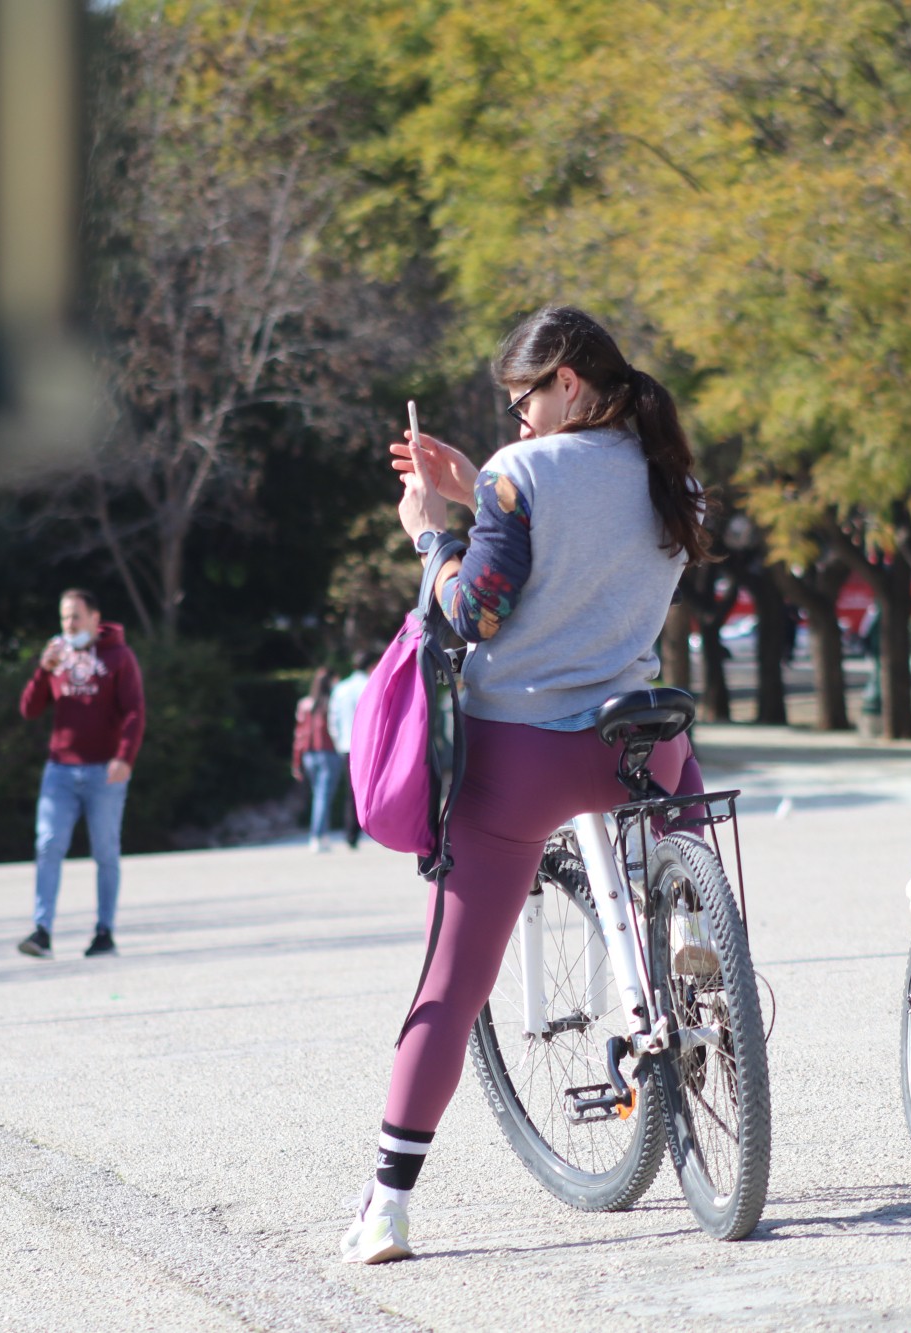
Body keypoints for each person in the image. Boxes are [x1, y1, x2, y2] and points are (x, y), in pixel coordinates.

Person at [339, 306, 710, 1264]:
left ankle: (386, 1205)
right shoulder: (675, 478)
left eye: (524, 399)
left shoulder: (523, 474)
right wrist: (482, 489)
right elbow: (584, 551)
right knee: (682, 783)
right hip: (637, 742)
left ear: (570, 384)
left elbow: (481, 613)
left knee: (453, 980)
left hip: (523, 754)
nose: (516, 420)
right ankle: (695, 927)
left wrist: (432, 531)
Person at [16, 589, 145, 959]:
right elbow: (29, 710)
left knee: (105, 850)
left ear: (94, 617)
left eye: (75, 617)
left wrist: (125, 757)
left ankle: (104, 932)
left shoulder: (119, 656)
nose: (68, 625)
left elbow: (135, 711)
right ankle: (42, 931)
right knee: (48, 844)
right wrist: (43, 670)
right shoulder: (58, 656)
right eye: (64, 618)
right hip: (60, 769)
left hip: (105, 770)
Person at [292, 667, 340, 853]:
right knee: (324, 797)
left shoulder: (305, 704)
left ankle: (322, 835)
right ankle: (317, 836)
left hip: (308, 754)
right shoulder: (330, 703)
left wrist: (296, 761)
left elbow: (299, 735)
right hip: (328, 753)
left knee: (319, 796)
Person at [327, 656, 371, 848]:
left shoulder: (341, 688)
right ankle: (372, 826)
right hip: (369, 744)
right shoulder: (371, 684)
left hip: (347, 745)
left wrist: (338, 742)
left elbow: (332, 719)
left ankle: (350, 832)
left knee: (351, 791)